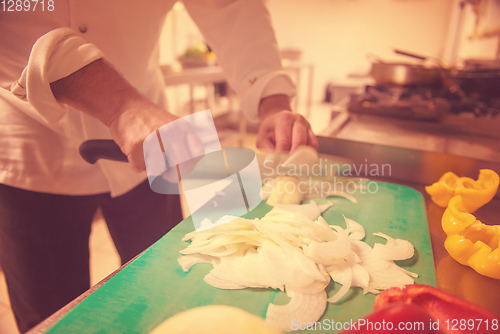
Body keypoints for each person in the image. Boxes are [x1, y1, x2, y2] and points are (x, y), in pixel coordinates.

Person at [0, 0, 318, 332]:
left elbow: (230, 6)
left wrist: (272, 99)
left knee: (164, 293)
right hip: (32, 151)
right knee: (54, 319)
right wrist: (119, 104)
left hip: (151, 151)